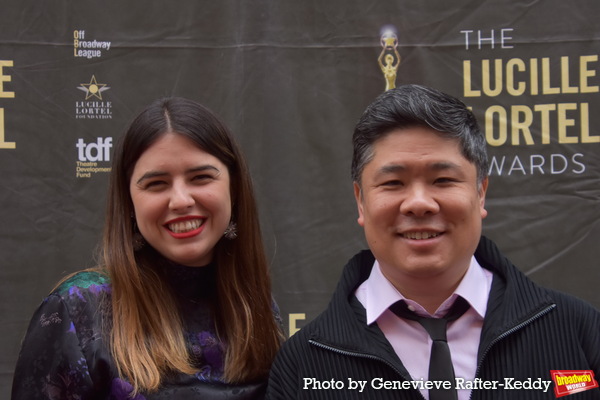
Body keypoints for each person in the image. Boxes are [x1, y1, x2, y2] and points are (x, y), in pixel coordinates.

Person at [266, 84, 600, 399]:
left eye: (442, 179)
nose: (419, 203)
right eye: (394, 183)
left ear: (481, 192)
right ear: (360, 201)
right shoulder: (303, 365)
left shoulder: (578, 333)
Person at [12, 97, 283, 399]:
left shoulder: (257, 306)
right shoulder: (78, 310)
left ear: (234, 188)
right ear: (129, 203)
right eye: (156, 184)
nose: (180, 200)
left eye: (201, 177)